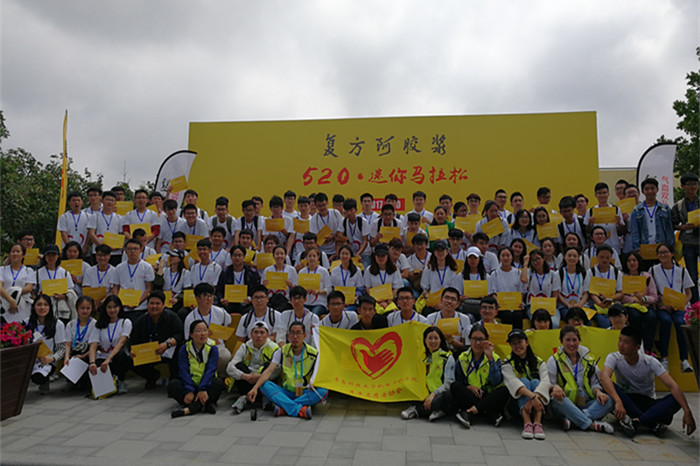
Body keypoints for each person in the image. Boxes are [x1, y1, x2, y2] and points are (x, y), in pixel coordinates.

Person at [600, 326, 696, 438]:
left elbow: (673, 386)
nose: (621, 345)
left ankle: (637, 421)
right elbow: (604, 377)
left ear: (637, 347)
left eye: (626, 342)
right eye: (620, 340)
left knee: (675, 399)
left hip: (647, 401)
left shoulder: (650, 361)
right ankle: (651, 422)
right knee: (605, 386)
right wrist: (618, 401)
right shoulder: (614, 357)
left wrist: (687, 411)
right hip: (626, 401)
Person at [247, 322, 328, 419]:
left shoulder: (314, 353)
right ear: (288, 336)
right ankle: (299, 409)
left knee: (323, 391)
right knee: (264, 385)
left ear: (304, 336)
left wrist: (315, 383)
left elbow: (321, 374)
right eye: (292, 333)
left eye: (298, 333)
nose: (295, 337)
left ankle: (285, 407)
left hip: (304, 391)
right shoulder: (281, 351)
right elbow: (268, 371)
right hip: (286, 391)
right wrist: (255, 388)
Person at [546, 325, 614, 433]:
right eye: (568, 340)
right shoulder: (554, 360)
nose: (571, 344)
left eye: (574, 340)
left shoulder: (588, 360)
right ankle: (591, 425)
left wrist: (598, 392)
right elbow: (549, 384)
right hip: (565, 404)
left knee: (609, 400)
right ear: (561, 341)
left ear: (579, 341)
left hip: (585, 404)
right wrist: (555, 387)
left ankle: (574, 420)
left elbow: (594, 384)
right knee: (556, 398)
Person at [451, 324, 508, 428]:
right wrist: (470, 387)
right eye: (474, 339)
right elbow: (459, 380)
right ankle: (489, 412)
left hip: (487, 393)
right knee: (455, 386)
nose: (477, 343)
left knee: (504, 391)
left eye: (481, 339)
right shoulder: (462, 357)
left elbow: (496, 381)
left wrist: (490, 359)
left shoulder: (495, 358)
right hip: (470, 394)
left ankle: (469, 412)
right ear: (470, 339)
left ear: (487, 340)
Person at [650, 243, 694, 372]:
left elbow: (689, 293)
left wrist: (681, 303)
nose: (663, 255)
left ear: (672, 254)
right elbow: (651, 290)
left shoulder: (682, 271)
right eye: (660, 253)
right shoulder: (653, 270)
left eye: (666, 252)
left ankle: (684, 360)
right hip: (662, 307)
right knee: (666, 321)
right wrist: (660, 304)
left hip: (679, 307)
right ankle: (664, 357)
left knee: (680, 322)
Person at [168, 320, 225, 418]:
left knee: (218, 383)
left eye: (205, 330)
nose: (203, 334)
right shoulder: (184, 349)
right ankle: (205, 404)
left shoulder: (213, 348)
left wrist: (203, 388)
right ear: (191, 334)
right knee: (173, 385)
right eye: (199, 331)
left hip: (206, 384)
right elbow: (183, 371)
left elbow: (211, 370)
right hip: (190, 384)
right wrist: (189, 390)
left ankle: (190, 409)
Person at [502, 329, 550, 440]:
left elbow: (546, 381)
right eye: (513, 343)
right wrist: (532, 397)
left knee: (536, 382)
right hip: (516, 405)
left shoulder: (539, 362)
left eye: (520, 342)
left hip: (537, 403)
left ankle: (537, 423)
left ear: (527, 342)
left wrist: (534, 398)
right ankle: (527, 422)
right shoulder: (507, 362)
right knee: (523, 381)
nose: (517, 346)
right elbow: (513, 383)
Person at [130, 291, 184, 388]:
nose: (154, 306)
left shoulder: (172, 318)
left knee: (181, 348)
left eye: (157, 303)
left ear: (163, 305)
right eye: (151, 303)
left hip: (167, 351)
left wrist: (167, 344)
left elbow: (180, 335)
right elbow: (133, 341)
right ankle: (151, 376)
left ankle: (174, 379)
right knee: (126, 357)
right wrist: (132, 351)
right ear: (147, 305)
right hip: (149, 354)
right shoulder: (140, 321)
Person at [401, 326, 456, 422]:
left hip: (439, 393)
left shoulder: (447, 357)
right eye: (430, 338)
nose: (433, 341)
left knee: (447, 397)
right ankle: (435, 410)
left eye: (436, 338)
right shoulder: (421, 357)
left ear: (440, 340)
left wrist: (433, 394)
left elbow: (449, 383)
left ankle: (417, 410)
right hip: (424, 393)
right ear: (425, 340)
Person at [227, 321, 281, 415]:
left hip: (264, 380)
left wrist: (260, 376)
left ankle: (264, 397)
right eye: (256, 332)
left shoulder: (275, 348)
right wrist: (245, 376)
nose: (258, 335)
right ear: (251, 334)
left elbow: (278, 370)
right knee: (238, 366)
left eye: (262, 332)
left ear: (267, 335)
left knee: (270, 366)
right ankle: (245, 397)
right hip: (248, 379)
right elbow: (230, 367)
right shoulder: (245, 347)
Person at [183, 283, 232, 373]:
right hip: (199, 348)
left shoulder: (221, 312)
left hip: (218, 347)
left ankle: (220, 377)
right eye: (205, 296)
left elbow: (228, 326)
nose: (209, 299)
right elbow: (188, 340)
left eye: (211, 296)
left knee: (225, 356)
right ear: (197, 298)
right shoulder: (190, 318)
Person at [88, 295, 132, 394]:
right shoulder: (99, 325)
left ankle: (120, 381)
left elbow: (122, 342)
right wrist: (92, 363)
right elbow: (93, 346)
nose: (112, 310)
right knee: (95, 366)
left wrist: (109, 358)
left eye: (115, 307)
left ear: (119, 307)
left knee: (121, 356)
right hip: (103, 357)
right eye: (109, 307)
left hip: (116, 357)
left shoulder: (125, 322)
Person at [629, 178, 675, 268]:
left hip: (662, 248)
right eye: (647, 189)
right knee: (647, 273)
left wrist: (670, 247)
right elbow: (635, 231)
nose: (650, 191)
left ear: (657, 190)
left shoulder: (665, 209)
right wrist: (637, 249)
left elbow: (669, 229)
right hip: (645, 248)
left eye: (652, 188)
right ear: (642, 191)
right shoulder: (637, 210)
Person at [26, 295, 66, 394]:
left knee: (38, 378)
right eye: (39, 305)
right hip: (31, 359)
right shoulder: (26, 323)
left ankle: (45, 381)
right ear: (34, 307)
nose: (42, 308)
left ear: (50, 307)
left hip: (48, 360)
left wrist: (52, 358)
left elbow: (62, 349)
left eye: (45, 305)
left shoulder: (58, 324)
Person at [619, 251, 657, 353]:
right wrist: (634, 300)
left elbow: (654, 297)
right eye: (629, 261)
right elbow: (620, 296)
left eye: (634, 260)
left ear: (639, 262)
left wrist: (643, 299)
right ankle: (636, 346)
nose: (632, 263)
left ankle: (648, 349)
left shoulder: (647, 276)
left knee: (651, 317)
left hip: (645, 305)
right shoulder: (622, 276)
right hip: (630, 306)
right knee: (635, 316)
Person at [110, 239, 155, 320]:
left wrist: (137, 302)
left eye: (135, 249)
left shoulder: (147, 267)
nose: (132, 251)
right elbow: (115, 287)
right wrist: (119, 302)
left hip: (141, 307)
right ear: (125, 251)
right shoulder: (119, 268)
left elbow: (149, 288)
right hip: (123, 307)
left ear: (140, 250)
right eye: (130, 249)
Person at [671, 172, 699, 303]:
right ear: (682, 186)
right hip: (688, 244)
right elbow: (672, 224)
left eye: (695, 184)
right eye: (689, 184)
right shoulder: (678, 205)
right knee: (692, 276)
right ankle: (696, 306)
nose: (692, 187)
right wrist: (683, 227)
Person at [62, 296, 97, 391]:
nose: (85, 311)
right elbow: (68, 343)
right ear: (77, 308)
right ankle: (71, 381)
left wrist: (83, 356)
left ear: (92, 309)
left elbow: (95, 346)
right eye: (82, 308)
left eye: (88, 308)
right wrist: (66, 357)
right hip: (74, 352)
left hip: (88, 353)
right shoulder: (71, 324)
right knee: (66, 357)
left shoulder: (95, 324)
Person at [36, 244, 77, 323]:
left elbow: (71, 291)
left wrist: (64, 296)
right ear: (44, 256)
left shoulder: (65, 273)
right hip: (43, 310)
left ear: (58, 256)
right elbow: (33, 291)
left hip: (62, 311)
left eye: (54, 255)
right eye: (48, 255)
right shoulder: (37, 273)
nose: (51, 258)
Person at [521, 249, 561, 328]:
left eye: (538, 259)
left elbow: (555, 294)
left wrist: (551, 306)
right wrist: (525, 264)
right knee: (538, 323)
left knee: (554, 323)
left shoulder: (553, 274)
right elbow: (523, 280)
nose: (535, 262)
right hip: (533, 306)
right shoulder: (529, 273)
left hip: (549, 305)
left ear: (543, 259)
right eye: (533, 260)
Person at [217, 245, 261, 315]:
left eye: (240, 255)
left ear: (244, 257)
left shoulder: (252, 272)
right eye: (235, 255)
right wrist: (221, 299)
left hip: (246, 302)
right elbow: (219, 290)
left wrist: (251, 299)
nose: (237, 258)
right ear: (231, 257)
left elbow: (257, 289)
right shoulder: (225, 273)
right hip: (229, 302)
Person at [488, 247, 525, 328]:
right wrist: (498, 303)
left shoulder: (518, 273)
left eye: (508, 255)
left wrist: (519, 302)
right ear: (499, 258)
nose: (505, 258)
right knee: (507, 315)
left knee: (518, 315)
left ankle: (518, 335)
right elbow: (493, 292)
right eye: (503, 255)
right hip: (501, 306)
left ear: (512, 257)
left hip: (515, 306)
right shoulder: (495, 274)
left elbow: (521, 291)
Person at [425, 288, 472, 352]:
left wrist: (452, 341)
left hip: (457, 353)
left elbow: (465, 346)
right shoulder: (431, 318)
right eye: (447, 298)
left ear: (457, 304)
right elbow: (427, 342)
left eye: (453, 299)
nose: (449, 301)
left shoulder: (464, 319)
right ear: (441, 300)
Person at [584, 182, 625, 254]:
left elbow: (621, 232)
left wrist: (619, 223)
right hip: (597, 248)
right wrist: (590, 224)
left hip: (613, 246)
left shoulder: (616, 209)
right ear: (595, 195)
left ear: (608, 194)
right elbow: (587, 232)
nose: (602, 195)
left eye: (604, 193)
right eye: (599, 193)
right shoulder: (591, 211)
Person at [420, 240, 460, 312]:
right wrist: (429, 301)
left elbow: (454, 290)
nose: (440, 253)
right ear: (434, 252)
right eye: (438, 250)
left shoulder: (452, 270)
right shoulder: (428, 269)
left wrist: (443, 304)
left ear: (447, 251)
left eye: (442, 250)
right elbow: (425, 289)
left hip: (449, 302)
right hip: (433, 303)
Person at [0, 243, 36, 322]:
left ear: (23, 255)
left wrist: (13, 295)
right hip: (4, 304)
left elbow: (28, 288)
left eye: (18, 251)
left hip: (22, 306)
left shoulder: (29, 271)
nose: (15, 253)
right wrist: (11, 301)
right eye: (13, 251)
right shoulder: (2, 270)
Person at [363, 244, 402, 314]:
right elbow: (368, 288)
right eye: (378, 256)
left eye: (383, 256)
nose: (381, 258)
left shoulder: (395, 270)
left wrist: (387, 302)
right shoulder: (369, 270)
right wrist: (376, 301)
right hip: (374, 301)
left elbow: (396, 288)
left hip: (390, 301)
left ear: (387, 256)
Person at [86, 190, 124, 265]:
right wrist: (102, 246)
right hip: (99, 251)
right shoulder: (95, 216)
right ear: (102, 201)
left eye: (112, 200)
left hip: (115, 252)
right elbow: (91, 233)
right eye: (107, 199)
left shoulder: (120, 218)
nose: (109, 202)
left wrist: (117, 247)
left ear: (115, 203)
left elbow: (121, 234)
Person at [557, 246, 590, 326]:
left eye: (575, 256)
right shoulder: (559, 273)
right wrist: (568, 305)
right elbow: (558, 293)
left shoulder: (584, 273)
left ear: (578, 258)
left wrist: (579, 305)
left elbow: (586, 293)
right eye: (569, 255)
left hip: (581, 305)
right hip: (565, 306)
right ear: (564, 257)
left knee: (587, 322)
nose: (572, 258)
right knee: (571, 318)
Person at [297, 247, 331, 316]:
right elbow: (298, 288)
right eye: (309, 256)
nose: (312, 258)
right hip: (305, 302)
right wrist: (303, 290)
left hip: (320, 302)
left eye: (314, 256)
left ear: (318, 257)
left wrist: (318, 292)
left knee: (313, 315)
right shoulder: (302, 272)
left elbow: (329, 289)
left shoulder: (323, 271)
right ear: (306, 258)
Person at [329, 245, 363, 309]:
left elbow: (360, 289)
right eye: (342, 254)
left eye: (347, 254)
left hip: (352, 302)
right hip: (338, 302)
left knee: (344, 311)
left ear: (350, 256)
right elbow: (332, 288)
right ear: (339, 255)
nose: (344, 256)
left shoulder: (357, 270)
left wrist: (355, 297)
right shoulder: (334, 270)